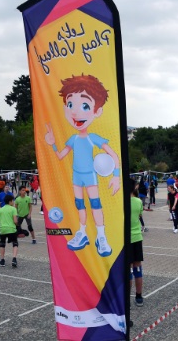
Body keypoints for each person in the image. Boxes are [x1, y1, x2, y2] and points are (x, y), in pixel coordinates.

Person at [44, 74, 120, 257]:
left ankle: (101, 237)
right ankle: (82, 233)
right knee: (80, 205)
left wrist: (116, 175)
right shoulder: (73, 138)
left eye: (85, 106)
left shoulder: (93, 138)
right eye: (70, 105)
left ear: (96, 111)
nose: (75, 112)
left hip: (90, 176)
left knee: (96, 204)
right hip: (76, 176)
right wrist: (53, 143)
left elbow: (114, 155)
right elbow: (61, 155)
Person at [129, 180, 145, 306]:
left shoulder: (121, 202)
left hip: (126, 239)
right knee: (137, 268)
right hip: (137, 237)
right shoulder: (139, 201)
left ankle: (126, 297)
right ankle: (139, 296)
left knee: (128, 269)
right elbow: (140, 214)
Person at [0, 194, 19, 267]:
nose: (13, 202)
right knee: (15, 243)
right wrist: (17, 225)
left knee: (2, 244)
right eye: (13, 200)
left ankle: (2, 260)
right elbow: (15, 221)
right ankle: (14, 259)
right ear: (10, 201)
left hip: (2, 229)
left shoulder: (1, 209)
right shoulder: (13, 209)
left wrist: (0, 223)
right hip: (11, 229)